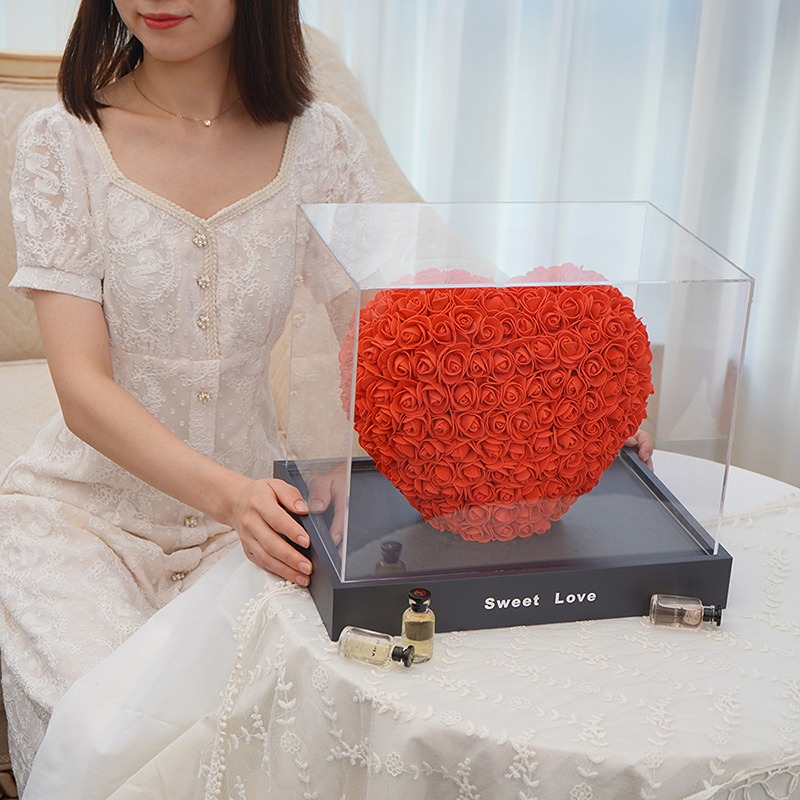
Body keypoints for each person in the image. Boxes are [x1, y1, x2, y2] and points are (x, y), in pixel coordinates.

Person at [0, 0, 381, 789]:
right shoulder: (60, 142)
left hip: (252, 537)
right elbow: (81, 389)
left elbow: (385, 334)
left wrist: (575, 419)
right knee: (107, 735)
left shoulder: (323, 145)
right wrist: (235, 498)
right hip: (81, 520)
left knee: (270, 728)